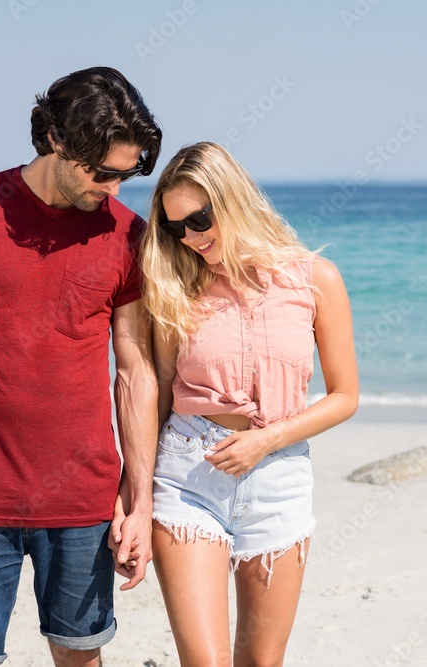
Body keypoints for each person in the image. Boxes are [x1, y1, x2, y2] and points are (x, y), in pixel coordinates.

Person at [0, 66, 161, 667]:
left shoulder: (128, 236)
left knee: (80, 656)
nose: (114, 190)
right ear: (57, 141)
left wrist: (139, 500)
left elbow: (135, 371)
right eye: (103, 173)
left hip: (85, 501)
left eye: (128, 175)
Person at [136, 142, 359, 666]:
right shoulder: (175, 288)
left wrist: (267, 439)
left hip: (279, 479)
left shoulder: (315, 279)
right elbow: (160, 392)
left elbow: (346, 395)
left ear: (231, 199)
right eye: (175, 229)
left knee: (261, 661)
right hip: (189, 478)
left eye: (199, 219)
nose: (190, 237)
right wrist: (134, 492)